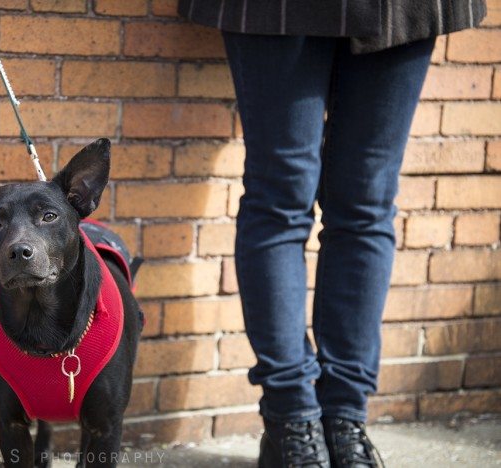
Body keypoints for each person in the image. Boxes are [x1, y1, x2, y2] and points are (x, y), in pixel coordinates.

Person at [178, 2, 486, 467]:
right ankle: (291, 420)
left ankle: (344, 417)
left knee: (367, 204)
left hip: (402, 8)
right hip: (281, 10)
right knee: (280, 197)